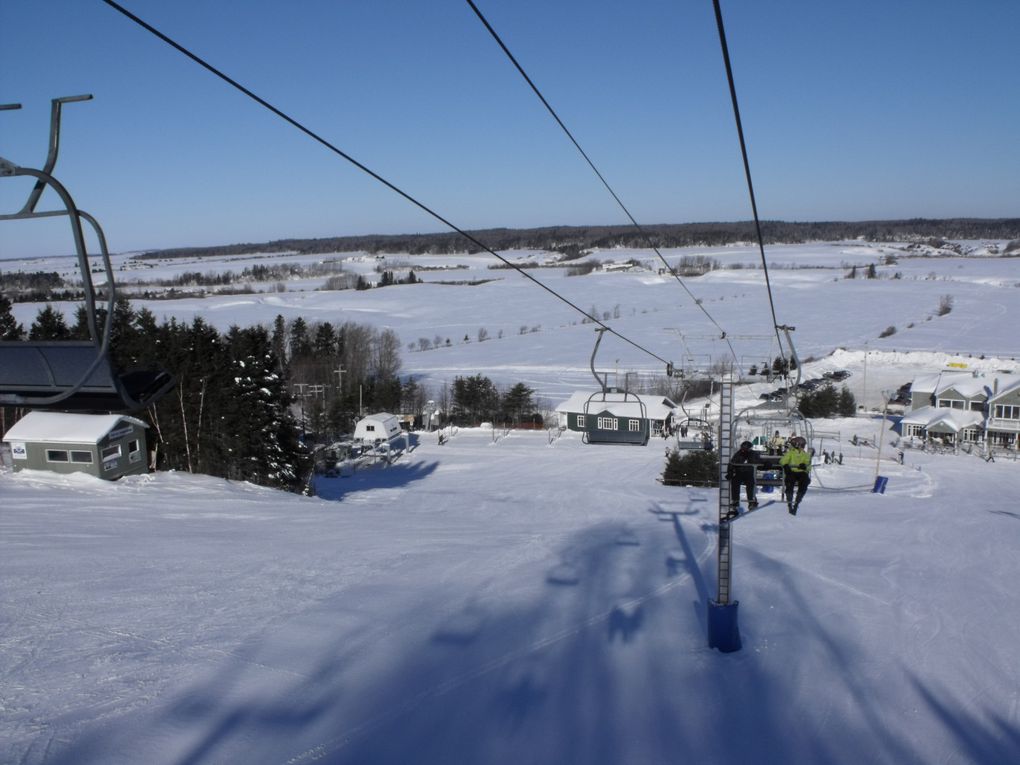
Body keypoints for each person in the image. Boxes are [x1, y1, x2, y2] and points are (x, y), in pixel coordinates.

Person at [725, 441, 761, 518]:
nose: (743, 449)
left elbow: (760, 462)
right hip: (739, 472)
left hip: (749, 473)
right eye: (742, 447)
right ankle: (735, 501)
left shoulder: (753, 454)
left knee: (750, 483)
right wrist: (730, 472)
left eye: (745, 448)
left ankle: (751, 501)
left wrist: (766, 463)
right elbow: (732, 463)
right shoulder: (738, 454)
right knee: (735, 482)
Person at [779, 435, 812, 515]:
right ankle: (790, 502)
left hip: (801, 472)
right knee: (789, 481)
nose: (803, 447)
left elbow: (808, 464)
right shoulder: (791, 453)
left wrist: (804, 466)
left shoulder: (805, 454)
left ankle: (797, 501)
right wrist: (786, 465)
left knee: (805, 481)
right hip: (792, 471)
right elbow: (783, 460)